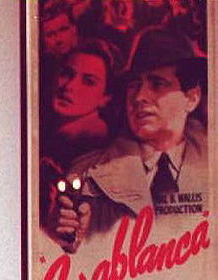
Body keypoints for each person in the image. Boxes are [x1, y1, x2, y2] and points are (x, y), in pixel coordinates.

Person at [49, 27, 207, 252]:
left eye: (158, 84)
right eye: (134, 85)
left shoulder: (210, 168)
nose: (139, 97)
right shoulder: (86, 173)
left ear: (191, 98)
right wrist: (71, 242)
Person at [44, 38, 116, 170]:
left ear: (105, 97)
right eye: (67, 74)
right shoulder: (51, 130)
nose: (69, 86)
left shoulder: (94, 144)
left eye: (88, 82)